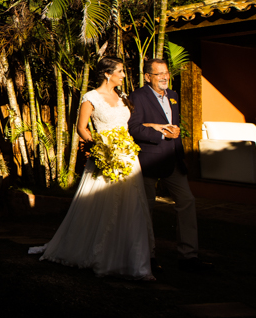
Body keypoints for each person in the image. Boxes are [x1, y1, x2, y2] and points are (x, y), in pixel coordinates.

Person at [30, 57, 154, 280]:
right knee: (101, 205)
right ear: (107, 74)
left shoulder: (123, 97)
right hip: (104, 157)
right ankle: (98, 253)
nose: (124, 75)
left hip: (127, 157)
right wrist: (100, 148)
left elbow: (130, 126)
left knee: (130, 207)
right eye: (120, 71)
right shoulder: (91, 98)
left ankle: (133, 260)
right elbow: (81, 128)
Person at [128, 58, 212, 272]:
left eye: (166, 73)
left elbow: (175, 125)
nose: (165, 77)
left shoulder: (173, 96)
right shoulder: (138, 96)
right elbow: (134, 128)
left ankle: (188, 256)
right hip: (149, 159)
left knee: (187, 201)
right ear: (148, 77)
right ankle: (148, 257)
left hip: (173, 160)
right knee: (147, 208)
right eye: (159, 74)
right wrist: (162, 134)